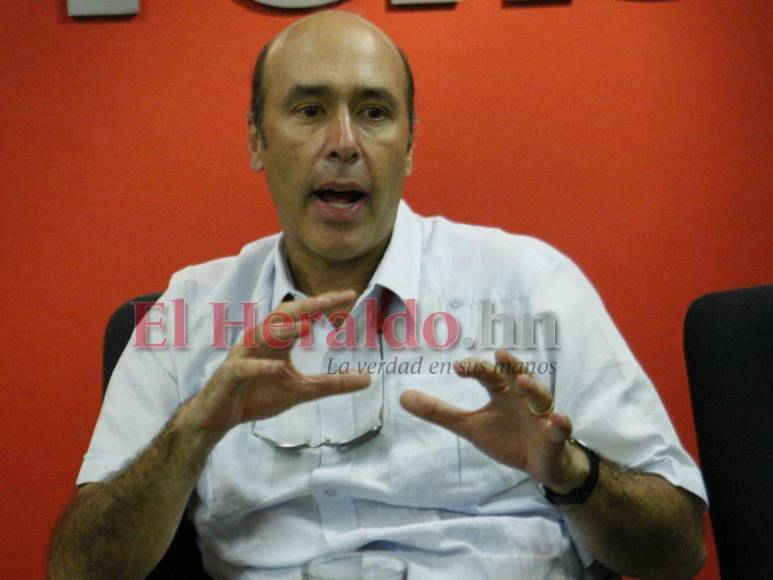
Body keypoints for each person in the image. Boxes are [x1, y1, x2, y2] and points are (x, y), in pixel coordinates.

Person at [49, 10, 707, 580]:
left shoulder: (530, 285)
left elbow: (678, 551)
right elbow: (77, 569)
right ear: (257, 139)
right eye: (309, 111)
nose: (343, 144)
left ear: (409, 145)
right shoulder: (192, 312)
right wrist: (193, 431)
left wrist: (570, 473)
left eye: (374, 113)